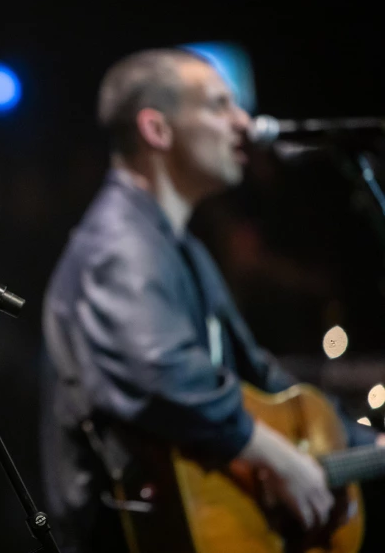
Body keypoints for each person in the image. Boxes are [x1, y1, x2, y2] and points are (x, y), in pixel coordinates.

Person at [39, 48, 385, 552]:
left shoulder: (180, 247)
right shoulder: (118, 245)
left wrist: (363, 444)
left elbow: (259, 376)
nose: (244, 123)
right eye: (220, 105)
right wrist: (278, 458)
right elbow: (161, 373)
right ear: (157, 130)